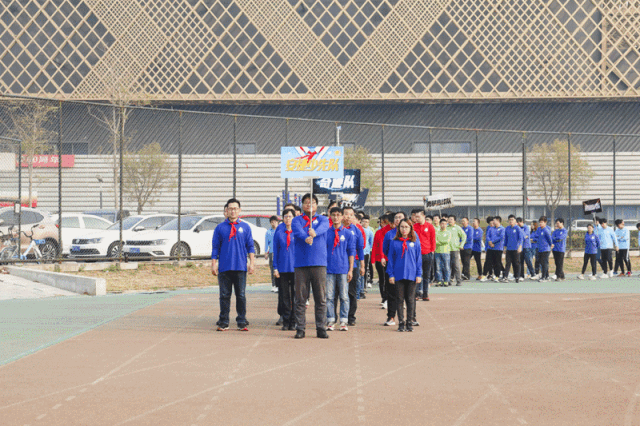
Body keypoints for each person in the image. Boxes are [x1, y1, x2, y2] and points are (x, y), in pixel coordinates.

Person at [211, 198, 256, 331]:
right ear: (226, 210)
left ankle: (241, 321)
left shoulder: (245, 227)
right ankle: (224, 321)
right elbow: (215, 248)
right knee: (224, 296)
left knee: (241, 295)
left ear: (239, 210)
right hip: (224, 267)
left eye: (235, 209)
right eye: (230, 209)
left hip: (240, 266)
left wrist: (252, 263)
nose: (233, 211)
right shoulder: (220, 228)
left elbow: (250, 246)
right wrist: (213, 264)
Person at [291, 193, 331, 339]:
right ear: (302, 205)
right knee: (300, 298)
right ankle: (300, 328)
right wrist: (306, 237)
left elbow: (324, 228)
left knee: (321, 298)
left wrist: (315, 233)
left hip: (319, 263)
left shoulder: (323, 219)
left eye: (312, 202)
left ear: (317, 205)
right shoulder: (297, 219)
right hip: (301, 264)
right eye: (307, 202)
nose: (309, 205)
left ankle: (321, 328)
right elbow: (298, 231)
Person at [387, 219, 422, 332]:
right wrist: (391, 274)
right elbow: (391, 259)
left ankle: (409, 322)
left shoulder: (415, 241)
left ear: (410, 228)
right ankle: (401, 322)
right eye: (402, 227)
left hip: (411, 274)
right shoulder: (394, 242)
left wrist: (419, 274)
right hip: (398, 274)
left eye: (406, 227)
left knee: (410, 299)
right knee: (399, 299)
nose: (404, 229)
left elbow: (418, 259)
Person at [325, 207, 355, 331]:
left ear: (342, 216)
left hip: (343, 269)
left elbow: (351, 252)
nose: (336, 217)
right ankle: (331, 319)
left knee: (344, 296)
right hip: (329, 270)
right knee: (329, 297)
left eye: (338, 215)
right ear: (330, 216)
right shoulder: (326, 232)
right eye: (333, 215)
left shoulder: (348, 233)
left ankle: (344, 320)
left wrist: (351, 269)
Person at [272, 209, 296, 330]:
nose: (288, 218)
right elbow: (275, 251)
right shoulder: (279, 232)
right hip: (282, 268)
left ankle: (294, 321)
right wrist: (275, 268)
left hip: (296, 268)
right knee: (284, 296)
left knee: (295, 296)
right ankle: (286, 321)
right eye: (285, 216)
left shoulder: (297, 231)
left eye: (290, 216)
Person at [382, 211, 406, 325]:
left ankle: (411, 318)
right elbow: (385, 250)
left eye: (400, 217)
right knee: (391, 292)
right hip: (392, 266)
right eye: (396, 217)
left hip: (406, 267)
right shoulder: (389, 234)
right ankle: (391, 317)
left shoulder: (411, 235)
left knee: (407, 295)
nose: (397, 219)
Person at [342, 206, 365, 326]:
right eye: (346, 214)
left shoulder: (356, 230)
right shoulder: (335, 229)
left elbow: (360, 249)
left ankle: (351, 316)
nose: (348, 217)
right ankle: (334, 316)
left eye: (351, 215)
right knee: (336, 293)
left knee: (352, 292)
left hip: (353, 265)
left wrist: (362, 265)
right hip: (338, 264)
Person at [413, 208, 435, 301]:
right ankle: (417, 293)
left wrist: (432, 251)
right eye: (416, 217)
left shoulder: (430, 226)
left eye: (418, 216)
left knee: (426, 275)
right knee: (418, 274)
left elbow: (433, 239)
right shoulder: (414, 227)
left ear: (424, 216)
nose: (417, 218)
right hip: (417, 254)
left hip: (427, 253)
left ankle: (425, 293)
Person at [372, 214, 392, 310]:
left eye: (383, 222)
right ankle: (384, 298)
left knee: (389, 279)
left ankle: (389, 298)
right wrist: (373, 260)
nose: (382, 224)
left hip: (389, 259)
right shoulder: (379, 232)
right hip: (379, 259)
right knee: (382, 279)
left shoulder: (393, 232)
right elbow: (375, 246)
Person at [501, 215, 523, 283]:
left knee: (516, 263)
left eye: (512, 219)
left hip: (516, 249)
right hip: (509, 249)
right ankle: (505, 277)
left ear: (515, 220)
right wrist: (504, 248)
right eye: (510, 220)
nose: (511, 221)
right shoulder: (507, 228)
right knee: (508, 263)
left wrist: (520, 246)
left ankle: (517, 276)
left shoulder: (518, 228)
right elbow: (505, 239)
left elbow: (521, 238)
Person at [447, 215, 467, 286]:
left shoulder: (457, 228)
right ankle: (448, 280)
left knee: (456, 266)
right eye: (449, 219)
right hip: (446, 250)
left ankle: (459, 280)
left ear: (454, 221)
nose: (450, 220)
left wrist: (461, 245)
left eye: (451, 219)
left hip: (455, 249)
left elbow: (464, 236)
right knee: (448, 266)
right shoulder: (446, 228)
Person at [485, 216, 505, 282]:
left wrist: (492, 242)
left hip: (498, 248)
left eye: (494, 220)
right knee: (490, 261)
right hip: (490, 247)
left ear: (498, 221)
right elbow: (487, 236)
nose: (493, 222)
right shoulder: (491, 228)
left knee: (497, 262)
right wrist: (489, 242)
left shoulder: (502, 229)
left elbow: (501, 237)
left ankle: (498, 276)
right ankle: (491, 274)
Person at [435, 218, 453, 286]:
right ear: (440, 224)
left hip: (446, 252)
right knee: (438, 267)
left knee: (446, 267)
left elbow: (447, 241)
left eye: (445, 224)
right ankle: (439, 280)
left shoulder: (448, 232)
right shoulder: (436, 232)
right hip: (437, 252)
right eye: (442, 224)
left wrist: (439, 242)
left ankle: (446, 280)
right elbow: (435, 241)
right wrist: (440, 242)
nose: (443, 225)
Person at [536, 216, 553, 282]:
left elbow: (549, 239)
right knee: (542, 263)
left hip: (545, 249)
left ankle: (543, 277)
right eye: (540, 222)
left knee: (544, 263)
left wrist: (551, 244)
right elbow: (536, 236)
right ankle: (547, 276)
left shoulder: (546, 230)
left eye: (542, 222)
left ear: (545, 222)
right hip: (540, 249)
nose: (540, 223)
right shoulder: (538, 229)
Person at [265, 215, 279, 294]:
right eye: (272, 222)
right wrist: (265, 252)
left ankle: (279, 285)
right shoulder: (268, 232)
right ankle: (274, 285)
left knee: (279, 269)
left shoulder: (280, 231)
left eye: (275, 222)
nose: (274, 223)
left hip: (279, 252)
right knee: (272, 269)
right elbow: (266, 243)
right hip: (272, 252)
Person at [362, 214, 375, 287]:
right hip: (359, 252)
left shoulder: (370, 231)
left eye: (366, 222)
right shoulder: (360, 229)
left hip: (366, 252)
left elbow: (371, 242)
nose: (365, 223)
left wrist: (368, 249)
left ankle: (365, 283)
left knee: (366, 267)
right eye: (363, 221)